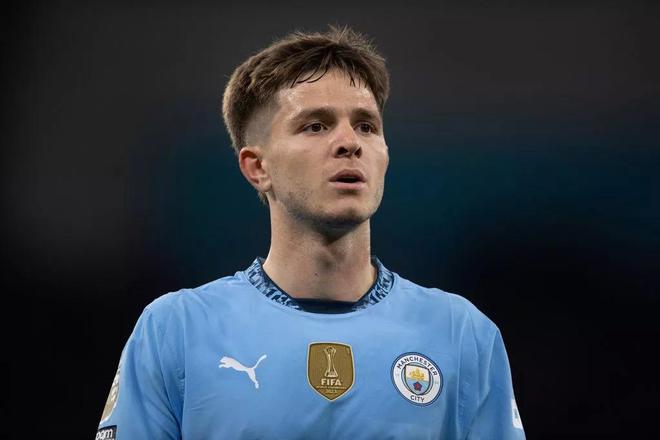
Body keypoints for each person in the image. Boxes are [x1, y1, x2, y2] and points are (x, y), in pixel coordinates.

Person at [96, 26, 525, 439]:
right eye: (316, 125)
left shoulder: (462, 335)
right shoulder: (176, 331)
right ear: (257, 167)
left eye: (366, 125)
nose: (349, 142)